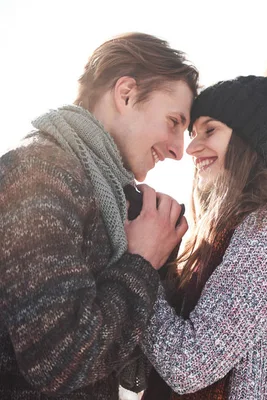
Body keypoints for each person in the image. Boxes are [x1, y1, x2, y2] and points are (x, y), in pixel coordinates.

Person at [0, 32, 197, 399]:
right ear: (125, 93)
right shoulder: (40, 172)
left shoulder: (103, 194)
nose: (178, 150)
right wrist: (142, 261)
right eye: (174, 122)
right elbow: (57, 358)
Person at [141, 58, 267, 399]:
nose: (191, 148)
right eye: (193, 133)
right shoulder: (223, 231)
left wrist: (139, 269)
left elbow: (188, 366)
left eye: (210, 131)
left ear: (250, 142)